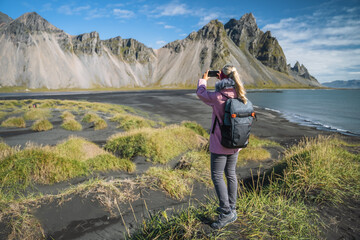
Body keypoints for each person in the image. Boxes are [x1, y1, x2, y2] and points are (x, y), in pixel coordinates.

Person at [196, 64, 248, 229]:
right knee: (231, 174)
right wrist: (224, 79)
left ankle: (226, 213)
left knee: (217, 176)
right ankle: (231, 208)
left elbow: (201, 93)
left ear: (222, 78)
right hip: (236, 143)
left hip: (220, 144)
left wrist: (203, 80)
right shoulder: (241, 95)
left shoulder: (218, 96)